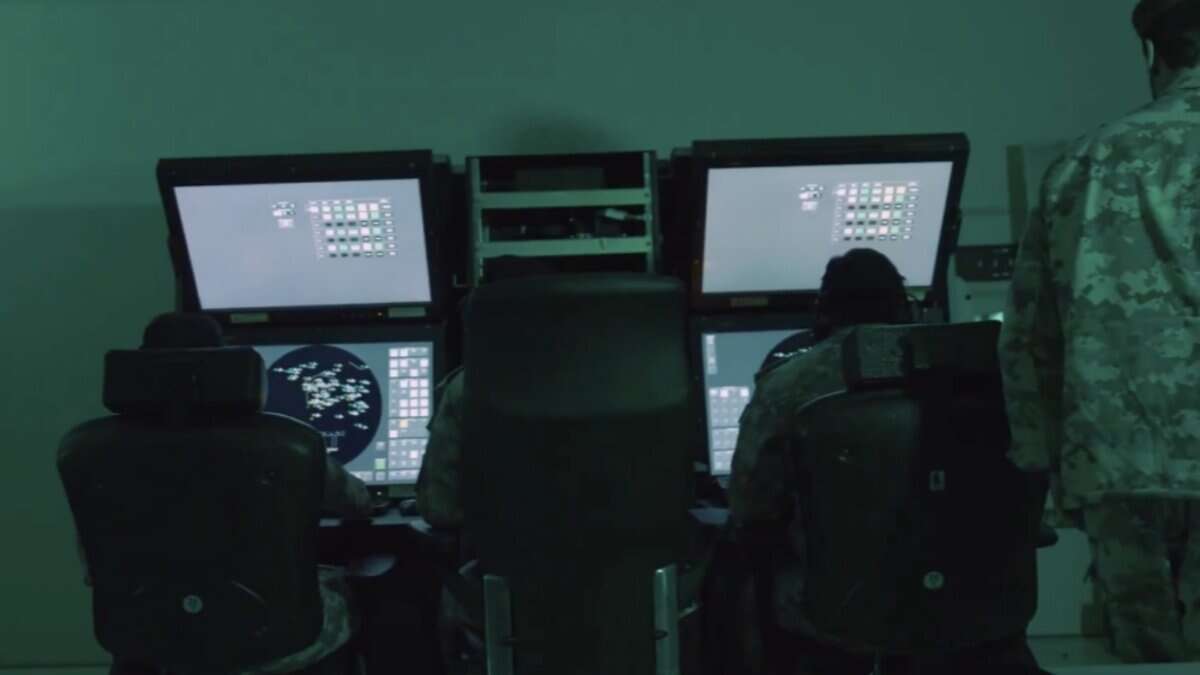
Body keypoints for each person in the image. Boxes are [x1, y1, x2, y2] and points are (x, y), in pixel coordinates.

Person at [998, 0, 1200, 662]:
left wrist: (1040, 470)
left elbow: (1028, 336)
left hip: (1118, 460)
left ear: (1151, 53)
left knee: (1148, 654)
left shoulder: (1084, 162)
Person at [79, 313, 374, 675]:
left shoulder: (94, 450)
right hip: (275, 639)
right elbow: (357, 503)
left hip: (150, 639)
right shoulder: (288, 446)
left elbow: (95, 567)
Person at [728, 248, 913, 674]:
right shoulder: (955, 372)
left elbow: (749, 508)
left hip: (825, 615)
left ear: (822, 311)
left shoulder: (787, 386)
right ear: (904, 309)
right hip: (941, 603)